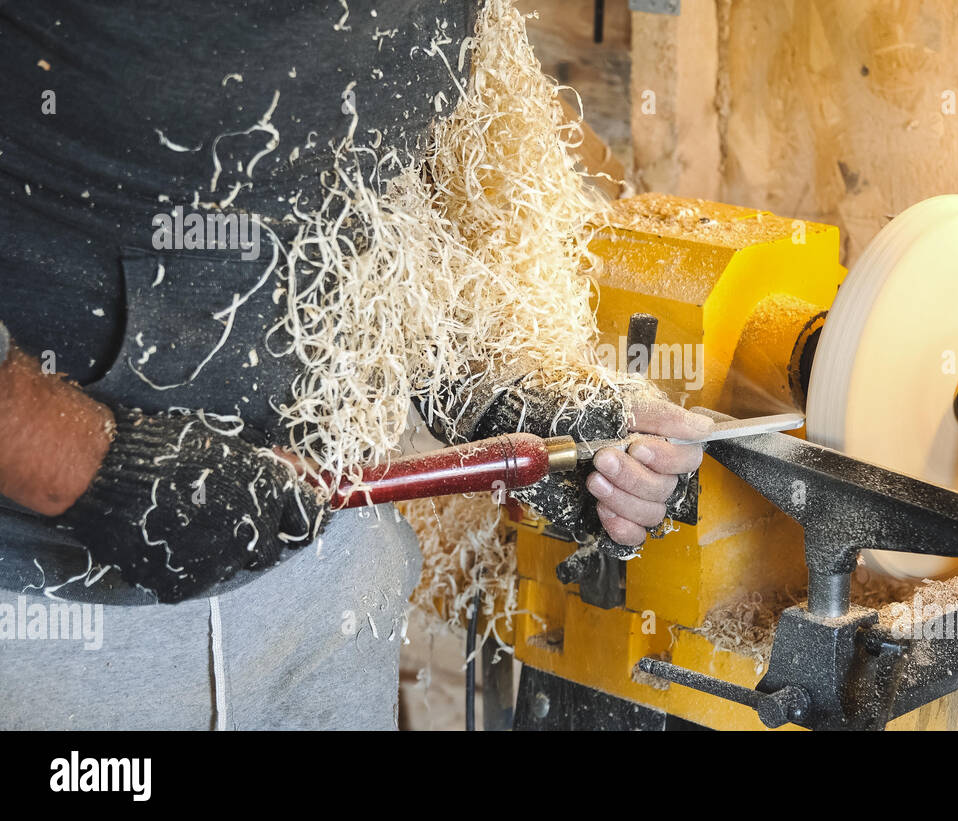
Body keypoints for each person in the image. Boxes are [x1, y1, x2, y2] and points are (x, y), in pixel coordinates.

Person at [0, 1, 705, 730]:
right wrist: (86, 464)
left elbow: (403, 159)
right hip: (52, 624)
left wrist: (498, 379)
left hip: (335, 591)